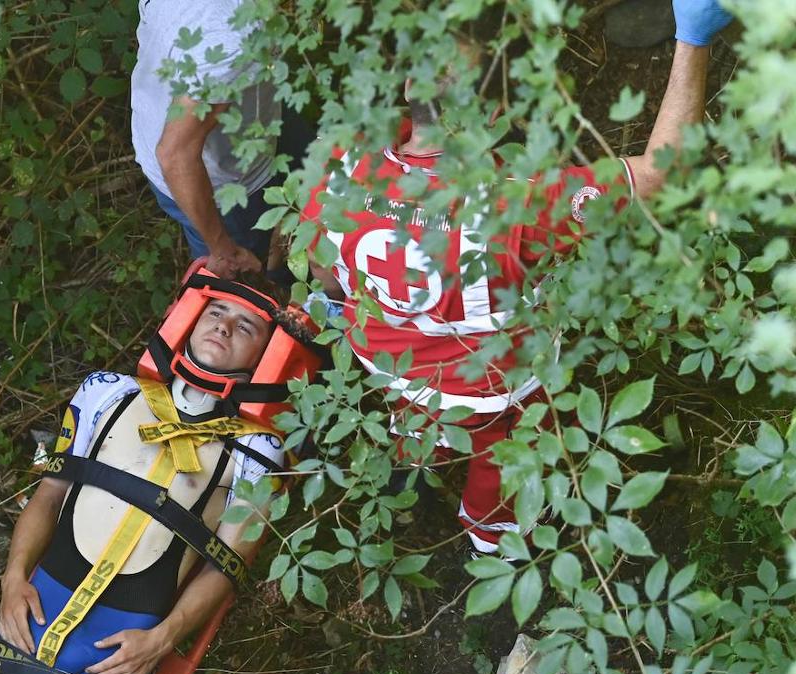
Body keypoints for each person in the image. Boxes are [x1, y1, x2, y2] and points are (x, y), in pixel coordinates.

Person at [302, 0, 734, 555]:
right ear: (495, 112)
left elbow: (323, 275)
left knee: (416, 422)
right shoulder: (518, 202)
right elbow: (661, 174)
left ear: (410, 87)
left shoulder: (340, 168)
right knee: (502, 459)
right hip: (494, 392)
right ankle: (490, 539)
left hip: (393, 368)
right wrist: (694, 39)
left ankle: (412, 468)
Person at [0, 267, 321, 674]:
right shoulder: (106, 393)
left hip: (119, 661)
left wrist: (162, 640)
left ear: (266, 354)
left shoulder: (258, 452)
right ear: (191, 317)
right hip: (29, 621)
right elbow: (49, 493)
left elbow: (227, 567)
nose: (224, 328)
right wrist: (13, 579)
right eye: (216, 312)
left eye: (246, 327)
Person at [131, 0, 311, 280]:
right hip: (220, 183)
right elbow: (175, 155)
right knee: (253, 274)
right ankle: (283, 291)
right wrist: (222, 248)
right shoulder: (231, 36)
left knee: (316, 169)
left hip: (249, 116)